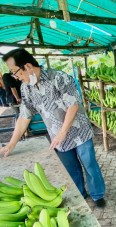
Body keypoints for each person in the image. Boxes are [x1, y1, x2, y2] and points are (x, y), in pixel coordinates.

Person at [0, 48, 106, 207]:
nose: (15, 77)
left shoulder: (58, 77)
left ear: (27, 66)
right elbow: (24, 115)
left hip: (79, 132)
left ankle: (98, 195)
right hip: (57, 137)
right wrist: (11, 143)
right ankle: (80, 194)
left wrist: (63, 132)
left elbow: (73, 105)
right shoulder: (26, 88)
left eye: (15, 72)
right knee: (71, 169)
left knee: (89, 164)